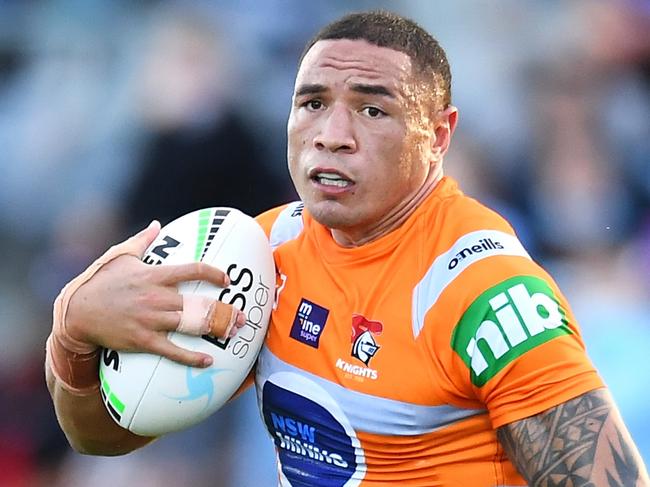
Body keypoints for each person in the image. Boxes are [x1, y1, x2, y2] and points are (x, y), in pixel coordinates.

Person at [45, 11, 649, 486]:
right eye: (312, 104)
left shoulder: (481, 292)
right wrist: (74, 335)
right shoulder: (260, 252)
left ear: (438, 136)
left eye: (371, 108)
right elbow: (103, 439)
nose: (332, 137)